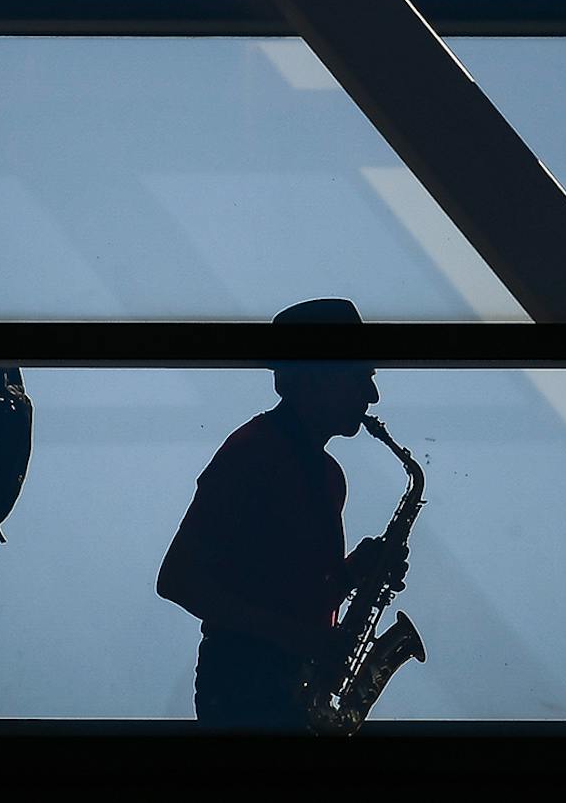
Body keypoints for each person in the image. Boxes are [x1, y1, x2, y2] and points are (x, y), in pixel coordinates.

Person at [156, 297, 407, 731]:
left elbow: (291, 592)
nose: (372, 394)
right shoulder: (255, 451)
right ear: (320, 376)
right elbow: (177, 580)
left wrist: (353, 574)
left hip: (281, 687)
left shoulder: (327, 476)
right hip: (244, 688)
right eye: (362, 376)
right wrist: (299, 639)